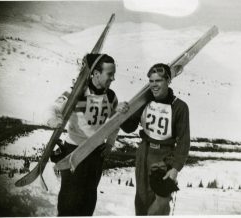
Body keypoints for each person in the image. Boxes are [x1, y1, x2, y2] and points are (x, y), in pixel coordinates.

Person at [47, 53, 128, 216]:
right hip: (74, 152)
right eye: (109, 74)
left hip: (96, 154)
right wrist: (53, 120)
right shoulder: (77, 92)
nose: (113, 78)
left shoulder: (111, 96)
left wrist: (110, 143)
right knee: (69, 202)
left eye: (114, 74)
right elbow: (52, 108)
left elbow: (115, 122)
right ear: (96, 73)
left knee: (88, 201)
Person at [121, 63, 190, 215]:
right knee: (141, 201)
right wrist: (122, 114)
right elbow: (129, 127)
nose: (154, 85)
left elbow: (184, 142)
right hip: (144, 154)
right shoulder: (144, 101)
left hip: (164, 158)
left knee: (160, 204)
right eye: (151, 81)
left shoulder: (179, 107)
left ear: (168, 81)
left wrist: (175, 169)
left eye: (158, 81)